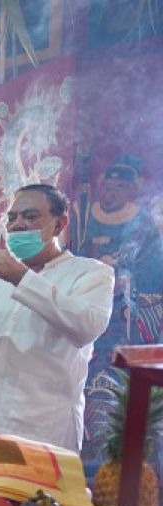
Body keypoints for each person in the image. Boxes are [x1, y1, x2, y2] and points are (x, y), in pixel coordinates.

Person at [0, 184, 114, 452]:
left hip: (44, 433)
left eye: (30, 216)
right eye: (12, 218)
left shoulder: (90, 274)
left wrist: (19, 277)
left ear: (59, 224)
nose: (17, 225)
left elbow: (85, 327)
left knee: (37, 497)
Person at [78, 155, 163, 470]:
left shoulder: (141, 222)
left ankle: (124, 468)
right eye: (107, 187)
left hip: (127, 316)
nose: (110, 193)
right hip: (93, 311)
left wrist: (122, 277)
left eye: (118, 188)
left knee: (118, 385)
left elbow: (143, 263)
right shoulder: (89, 215)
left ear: (130, 191)